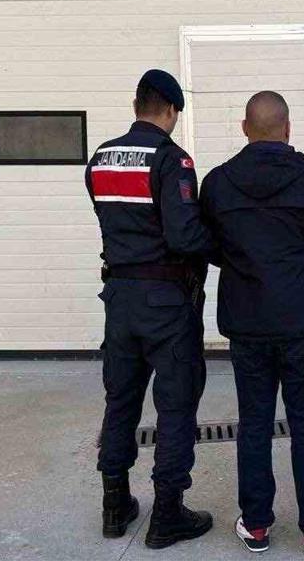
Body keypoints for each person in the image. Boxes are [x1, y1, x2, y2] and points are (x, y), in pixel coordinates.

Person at [199, 91, 304, 557]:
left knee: (254, 424)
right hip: (302, 321)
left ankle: (257, 525)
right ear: (288, 128)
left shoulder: (217, 184)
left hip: (247, 322)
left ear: (245, 128)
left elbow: (209, 244)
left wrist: (244, 263)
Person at [85, 69, 216, 550]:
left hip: (119, 299)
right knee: (176, 404)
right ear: (171, 110)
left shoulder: (101, 158)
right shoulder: (171, 160)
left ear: (136, 105)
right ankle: (167, 514)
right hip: (166, 301)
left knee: (120, 399)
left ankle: (114, 505)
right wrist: (219, 245)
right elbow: (184, 236)